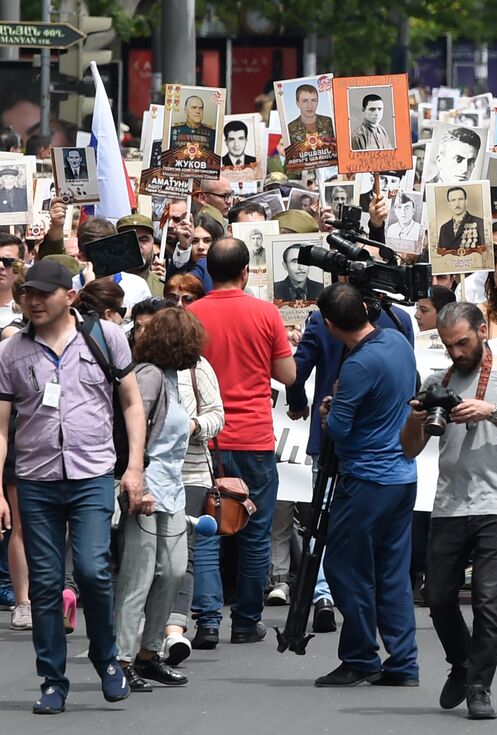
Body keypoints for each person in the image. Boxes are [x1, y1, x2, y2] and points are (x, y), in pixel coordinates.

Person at [0, 258, 147, 713]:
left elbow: (132, 405)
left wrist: (135, 466)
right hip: (36, 480)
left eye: (44, 293)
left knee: (91, 569)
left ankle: (107, 659)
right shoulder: (11, 352)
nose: (34, 300)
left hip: (92, 475)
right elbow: (2, 428)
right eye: (28, 293)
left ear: (71, 296)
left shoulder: (106, 337)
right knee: (45, 584)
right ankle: (52, 681)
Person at [406, 302, 497, 719]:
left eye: (463, 342)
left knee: (488, 602)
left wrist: (493, 412)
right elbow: (408, 449)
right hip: (448, 503)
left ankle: (480, 687)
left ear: (484, 330)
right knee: (439, 597)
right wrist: (416, 416)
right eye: (448, 345)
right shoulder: (438, 379)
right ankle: (462, 663)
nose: (456, 352)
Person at [187, 239, 297, 649]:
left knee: (207, 531)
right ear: (246, 271)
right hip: (252, 437)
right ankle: (247, 621)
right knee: (255, 530)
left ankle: (208, 621)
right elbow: (287, 375)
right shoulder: (265, 313)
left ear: (208, 272)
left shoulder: (192, 315)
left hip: (208, 439)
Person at [309, 284, 419, 687]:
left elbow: (337, 428)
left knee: (344, 567)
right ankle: (403, 662)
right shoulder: (396, 340)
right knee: (392, 572)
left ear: (330, 324)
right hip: (402, 477)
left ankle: (360, 655)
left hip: (366, 479)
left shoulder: (359, 365)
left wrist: (330, 408)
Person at [115, 307, 211, 691]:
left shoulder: (169, 376)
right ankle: (122, 659)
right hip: (147, 486)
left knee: (172, 570)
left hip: (171, 485)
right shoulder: (150, 376)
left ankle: (149, 653)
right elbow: (132, 433)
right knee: (138, 577)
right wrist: (137, 480)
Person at [437, 186, 485, 251]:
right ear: (449, 204)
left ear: (466, 201)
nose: (457, 204)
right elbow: (441, 253)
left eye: (460, 199)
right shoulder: (444, 228)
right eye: (453, 200)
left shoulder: (480, 223)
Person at [287, 83, 335, 147]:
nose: (310, 106)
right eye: (305, 101)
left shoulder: (329, 122)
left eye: (313, 100)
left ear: (318, 101)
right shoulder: (290, 128)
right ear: (297, 103)